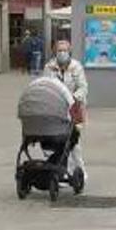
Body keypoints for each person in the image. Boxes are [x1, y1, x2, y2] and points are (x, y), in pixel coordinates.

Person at [44, 40, 89, 179]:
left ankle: (80, 171)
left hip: (74, 108)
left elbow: (83, 87)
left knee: (73, 142)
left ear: (69, 52)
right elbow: (45, 85)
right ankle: (62, 171)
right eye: (59, 50)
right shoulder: (49, 67)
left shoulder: (76, 67)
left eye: (65, 50)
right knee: (58, 141)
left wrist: (73, 98)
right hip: (56, 108)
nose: (62, 53)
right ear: (55, 52)